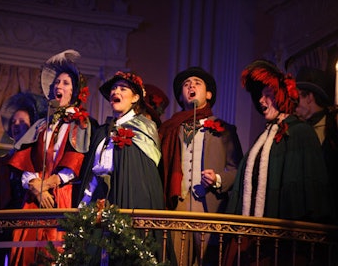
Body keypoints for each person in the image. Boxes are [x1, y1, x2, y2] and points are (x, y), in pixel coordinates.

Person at [224, 59, 334, 265]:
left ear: (282, 96)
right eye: (260, 96)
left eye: (268, 95)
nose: (261, 101)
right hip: (250, 238)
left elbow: (310, 191)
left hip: (283, 243)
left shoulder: (301, 133)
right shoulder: (263, 137)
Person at [7, 49, 95, 266]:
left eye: (65, 82)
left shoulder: (80, 123)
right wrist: (36, 186)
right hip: (34, 196)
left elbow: (76, 161)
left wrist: (47, 186)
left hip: (60, 195)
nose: (59, 86)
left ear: (74, 91)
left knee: (54, 249)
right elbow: (24, 158)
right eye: (57, 82)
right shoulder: (41, 124)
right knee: (26, 249)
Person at [78, 71, 170, 264]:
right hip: (98, 202)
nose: (115, 92)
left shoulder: (144, 128)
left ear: (135, 97)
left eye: (122, 88)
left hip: (128, 202)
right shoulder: (102, 131)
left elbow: (144, 175)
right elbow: (92, 169)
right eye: (113, 88)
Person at [158, 67, 243, 265]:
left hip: (209, 205)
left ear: (209, 94)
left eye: (197, 83)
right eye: (186, 85)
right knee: (177, 260)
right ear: (181, 96)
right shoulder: (170, 128)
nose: (191, 86)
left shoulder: (224, 130)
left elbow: (237, 168)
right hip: (177, 203)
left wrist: (218, 179)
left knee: (208, 260)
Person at [0, 92, 46, 265]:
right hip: (0, 229)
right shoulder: (0, 164)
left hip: (27, 226)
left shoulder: (39, 158)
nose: (16, 125)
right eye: (14, 122)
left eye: (22, 122)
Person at [295, 67, 338, 224]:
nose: (294, 104)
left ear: (309, 97)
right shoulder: (297, 131)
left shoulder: (333, 128)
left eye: (297, 97)